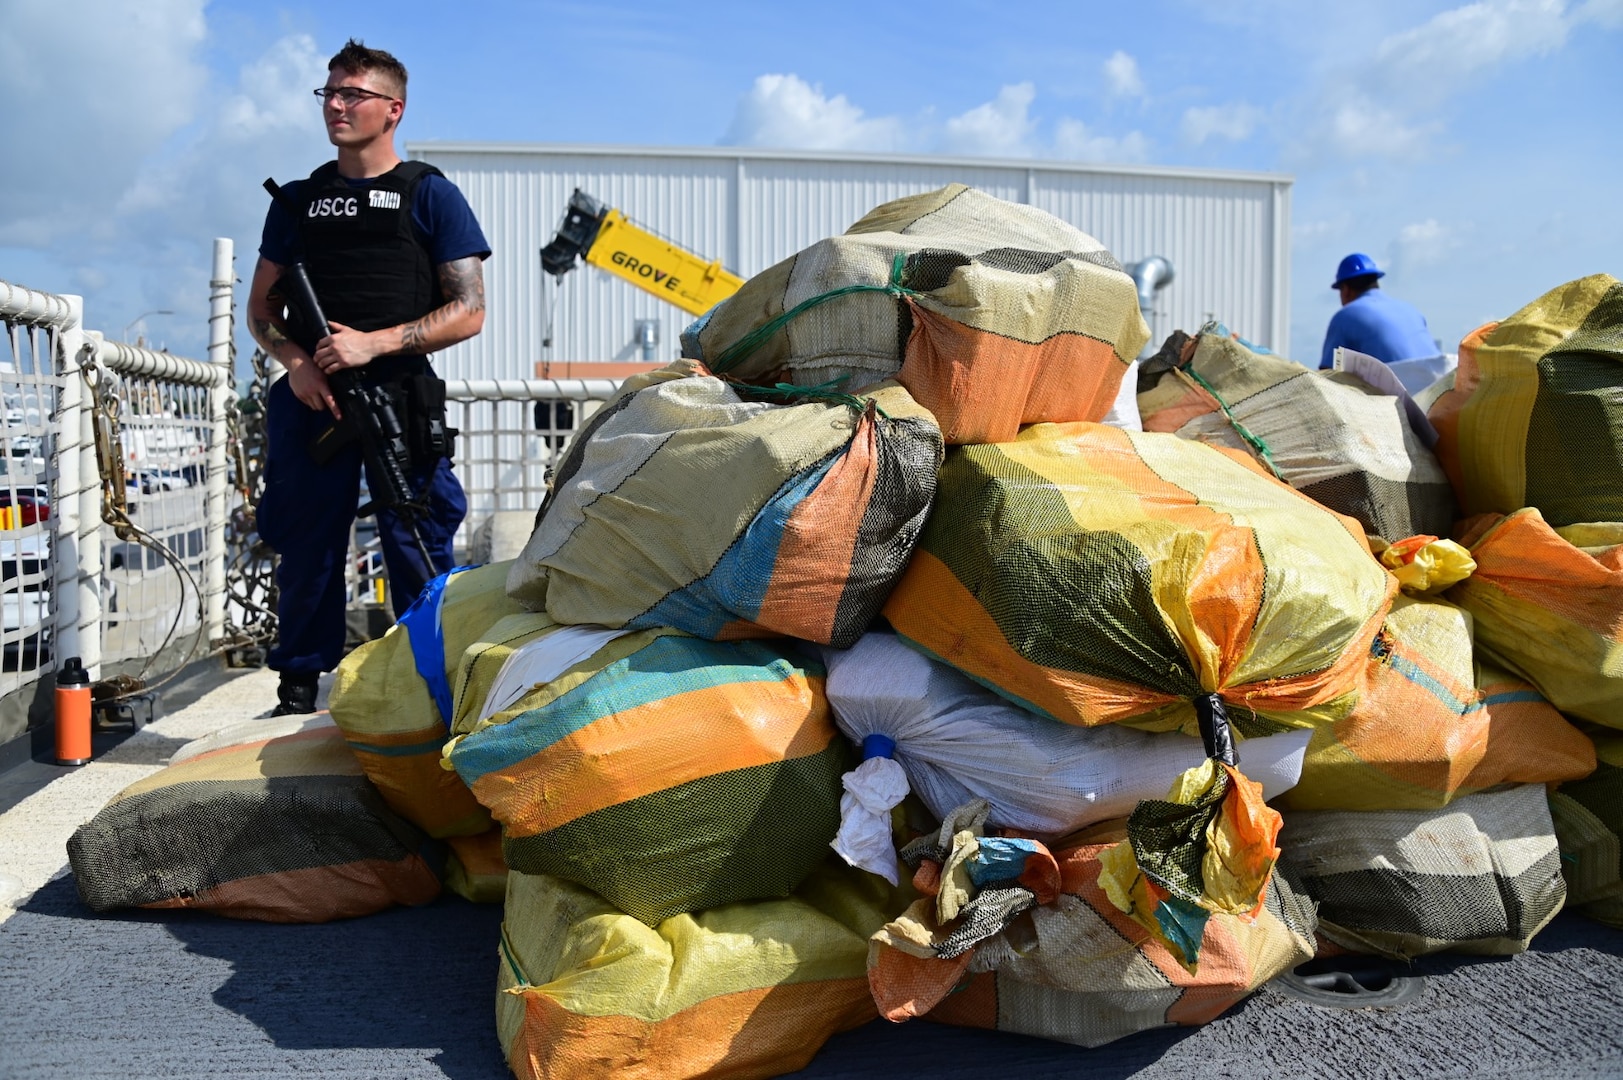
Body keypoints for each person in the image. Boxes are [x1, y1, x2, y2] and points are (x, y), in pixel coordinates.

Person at [247, 39, 490, 716]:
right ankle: (297, 686)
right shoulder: (297, 202)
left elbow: (470, 311)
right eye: (329, 92)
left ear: (393, 109)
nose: (337, 105)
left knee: (418, 535)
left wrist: (372, 344)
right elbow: (261, 309)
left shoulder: (429, 195)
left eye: (353, 94)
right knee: (306, 539)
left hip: (398, 397)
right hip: (313, 395)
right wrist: (296, 362)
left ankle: (429, 688)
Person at [1318, 254, 1449, 392]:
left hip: (1399, 403)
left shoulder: (1344, 316)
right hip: (1439, 393)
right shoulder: (1410, 309)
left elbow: (1326, 377)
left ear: (1345, 289)